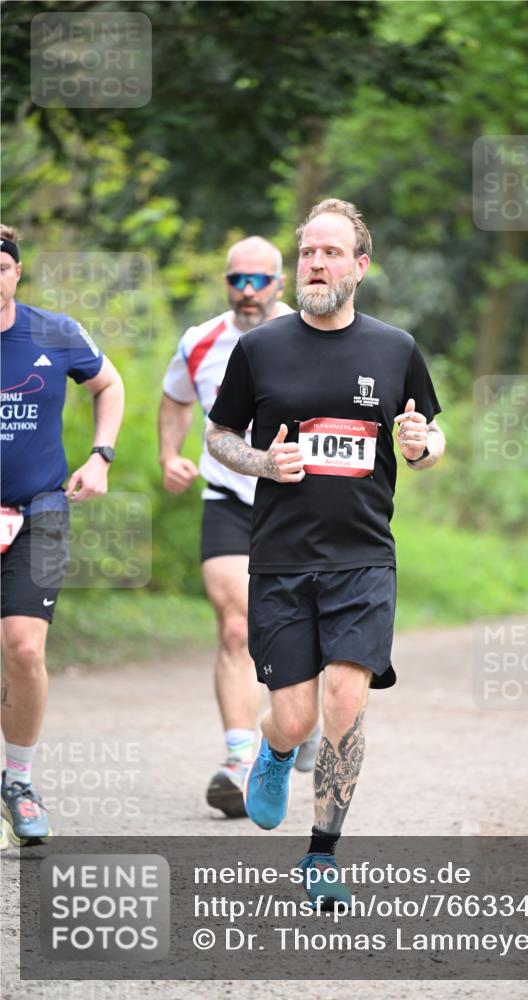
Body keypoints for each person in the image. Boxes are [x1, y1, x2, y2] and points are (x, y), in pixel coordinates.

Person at [205, 199, 445, 906]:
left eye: (331, 252)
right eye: (307, 251)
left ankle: (322, 854)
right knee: (296, 717)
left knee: (345, 698)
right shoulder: (261, 349)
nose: (315, 263)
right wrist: (259, 463)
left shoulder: (394, 348)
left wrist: (419, 446)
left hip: (363, 557)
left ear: (360, 266)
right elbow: (218, 435)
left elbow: (430, 435)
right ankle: (275, 752)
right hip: (279, 558)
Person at [158, 236, 320, 820]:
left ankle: (296, 719)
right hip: (228, 498)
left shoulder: (308, 336)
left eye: (260, 281)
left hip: (299, 504)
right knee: (236, 625)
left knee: (304, 625)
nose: (247, 291)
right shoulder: (200, 341)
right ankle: (239, 757)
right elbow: (175, 398)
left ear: (280, 283)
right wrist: (168, 453)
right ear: (226, 281)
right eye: (237, 280)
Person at [1, 224, 124, 846]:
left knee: (24, 649)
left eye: (0, 266)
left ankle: (18, 783)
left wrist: (101, 455)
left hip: (40, 509)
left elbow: (109, 384)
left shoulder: (55, 331)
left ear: (16, 272)